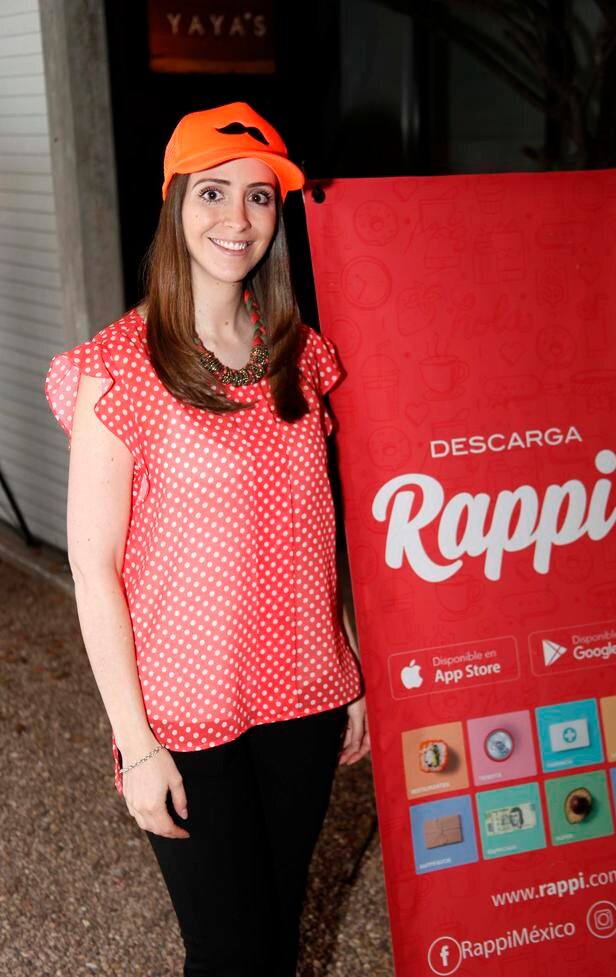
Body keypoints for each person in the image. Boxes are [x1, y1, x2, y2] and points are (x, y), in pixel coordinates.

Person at [45, 102, 369, 977]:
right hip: (185, 714)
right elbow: (93, 566)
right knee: (232, 954)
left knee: (274, 938)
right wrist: (136, 743)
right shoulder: (117, 366)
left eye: (259, 197)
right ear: (174, 204)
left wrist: (345, 663)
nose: (238, 218)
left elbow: (317, 528)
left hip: (304, 694)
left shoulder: (299, 354)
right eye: (213, 192)